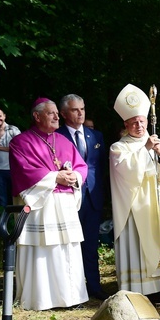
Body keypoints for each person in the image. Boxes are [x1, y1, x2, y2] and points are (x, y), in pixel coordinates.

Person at [110, 84, 160, 304]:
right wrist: (145, 149)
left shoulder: (158, 142)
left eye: (142, 121)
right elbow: (126, 172)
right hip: (137, 208)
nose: (138, 125)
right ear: (126, 124)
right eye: (134, 122)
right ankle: (145, 290)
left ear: (147, 121)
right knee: (143, 247)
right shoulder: (119, 147)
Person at [9, 98, 88, 311]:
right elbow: (25, 172)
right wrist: (56, 177)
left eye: (56, 113)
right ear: (37, 116)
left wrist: (74, 176)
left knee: (67, 250)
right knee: (44, 250)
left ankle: (70, 297)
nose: (56, 116)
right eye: (51, 113)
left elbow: (81, 165)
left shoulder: (63, 141)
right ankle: (42, 299)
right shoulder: (21, 142)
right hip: (41, 206)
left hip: (64, 205)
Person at [56, 94, 109, 300]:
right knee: (69, 244)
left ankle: (94, 286)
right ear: (63, 113)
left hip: (93, 196)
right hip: (68, 197)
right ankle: (71, 288)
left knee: (91, 244)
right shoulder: (57, 136)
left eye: (83, 109)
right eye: (75, 110)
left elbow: (100, 166)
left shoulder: (95, 136)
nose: (80, 113)